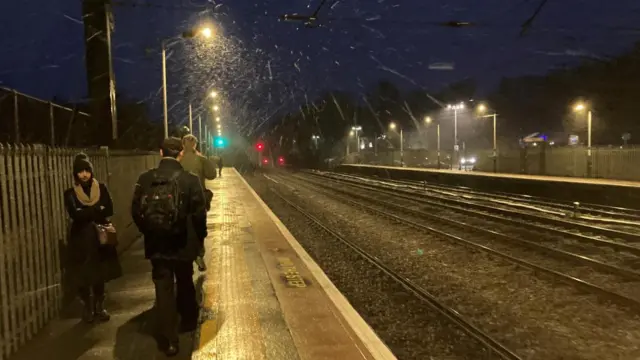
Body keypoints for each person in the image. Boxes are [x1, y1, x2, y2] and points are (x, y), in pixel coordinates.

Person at [131, 137, 207, 357]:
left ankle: (170, 340)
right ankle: (189, 322)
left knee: (163, 288)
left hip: (157, 244)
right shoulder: (190, 180)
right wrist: (199, 238)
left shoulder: (145, 179)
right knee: (184, 280)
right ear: (180, 154)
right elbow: (199, 214)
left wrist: (150, 230)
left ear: (160, 152)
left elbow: (136, 211)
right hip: (183, 242)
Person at [64, 153, 122, 324]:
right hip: (81, 239)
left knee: (100, 274)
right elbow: (76, 214)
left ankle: (99, 305)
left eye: (87, 171)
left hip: (100, 238)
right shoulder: (70, 194)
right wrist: (97, 209)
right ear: (75, 174)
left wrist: (87, 211)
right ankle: (87, 306)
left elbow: (109, 208)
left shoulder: (101, 188)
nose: (84, 175)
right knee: (83, 275)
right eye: (80, 171)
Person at [178, 134, 216, 272]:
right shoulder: (200, 159)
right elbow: (212, 174)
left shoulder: (178, 160)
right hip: (197, 200)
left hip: (180, 201)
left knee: (182, 228)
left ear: (182, 144)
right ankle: (199, 253)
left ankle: (184, 256)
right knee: (199, 228)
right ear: (196, 145)